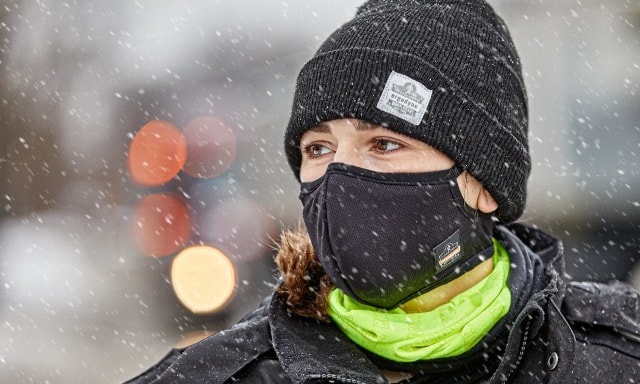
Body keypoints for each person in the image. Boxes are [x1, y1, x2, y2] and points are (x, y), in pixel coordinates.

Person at [125, 0, 640, 382]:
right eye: (319, 149)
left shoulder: (617, 359)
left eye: (385, 144)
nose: (340, 179)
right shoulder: (210, 375)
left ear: (483, 183)